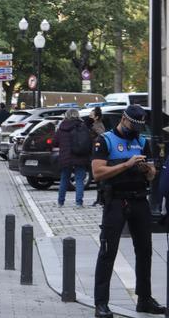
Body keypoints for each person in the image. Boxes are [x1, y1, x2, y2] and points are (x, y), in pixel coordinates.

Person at [91, 105, 164, 318]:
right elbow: (97, 172)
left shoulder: (141, 142)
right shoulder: (105, 140)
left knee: (145, 252)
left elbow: (151, 175)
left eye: (140, 126)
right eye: (133, 124)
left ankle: (145, 299)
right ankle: (101, 304)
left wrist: (148, 170)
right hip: (115, 201)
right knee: (108, 251)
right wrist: (127, 164)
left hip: (139, 200)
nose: (136, 129)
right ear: (124, 119)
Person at [53, 109, 90, 207]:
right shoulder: (82, 125)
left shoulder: (62, 127)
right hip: (80, 156)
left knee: (64, 179)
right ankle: (79, 203)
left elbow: (55, 142)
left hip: (65, 157)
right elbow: (87, 140)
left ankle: (60, 202)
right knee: (79, 180)